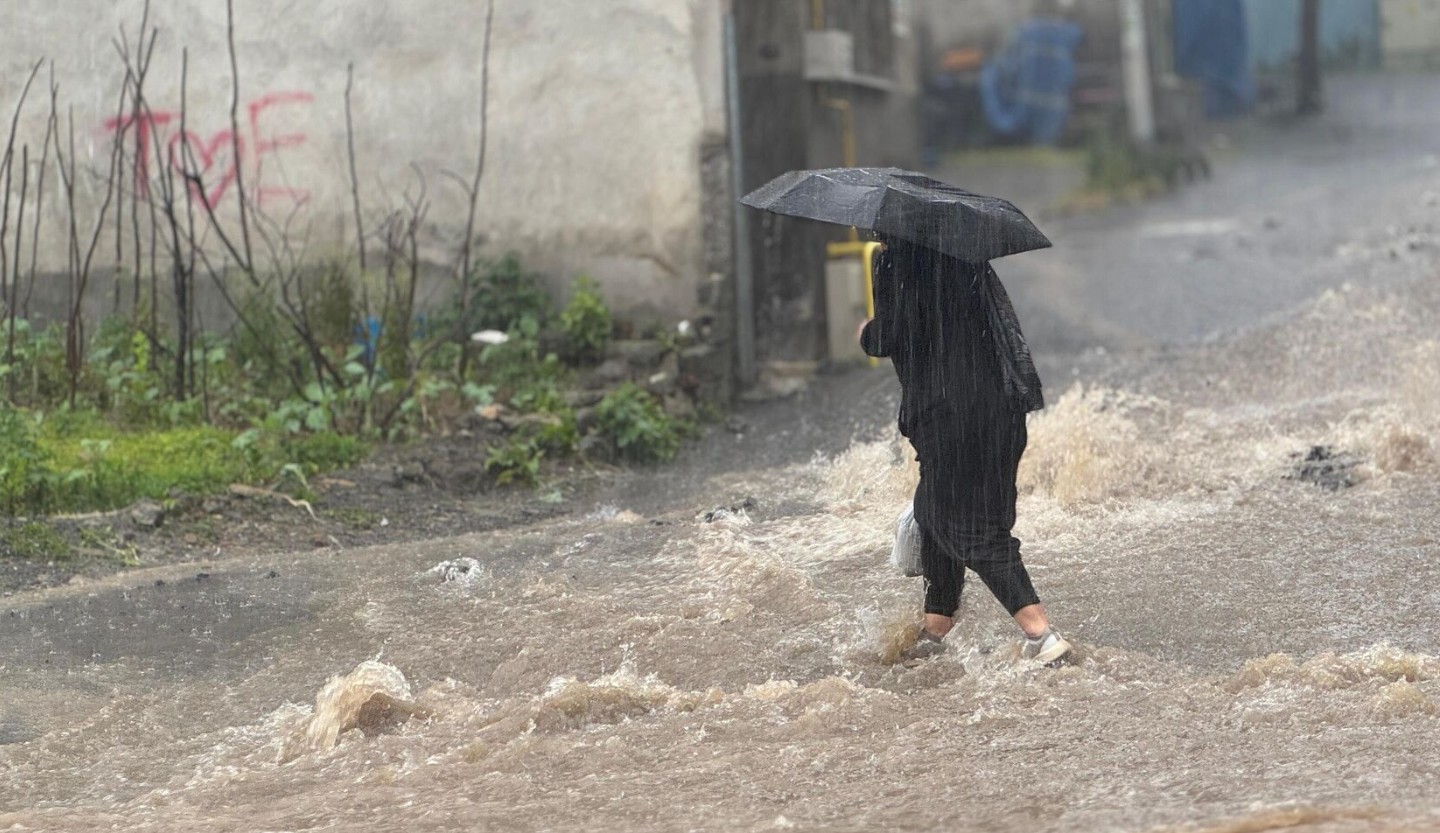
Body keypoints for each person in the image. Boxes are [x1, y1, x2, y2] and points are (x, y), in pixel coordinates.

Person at [860, 235, 1071, 664]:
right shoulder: (965, 257)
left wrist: (866, 331)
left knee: (966, 525)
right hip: (1002, 411)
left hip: (949, 417)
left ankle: (1042, 635)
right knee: (933, 511)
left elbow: (889, 336)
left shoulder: (895, 264)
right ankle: (936, 628)